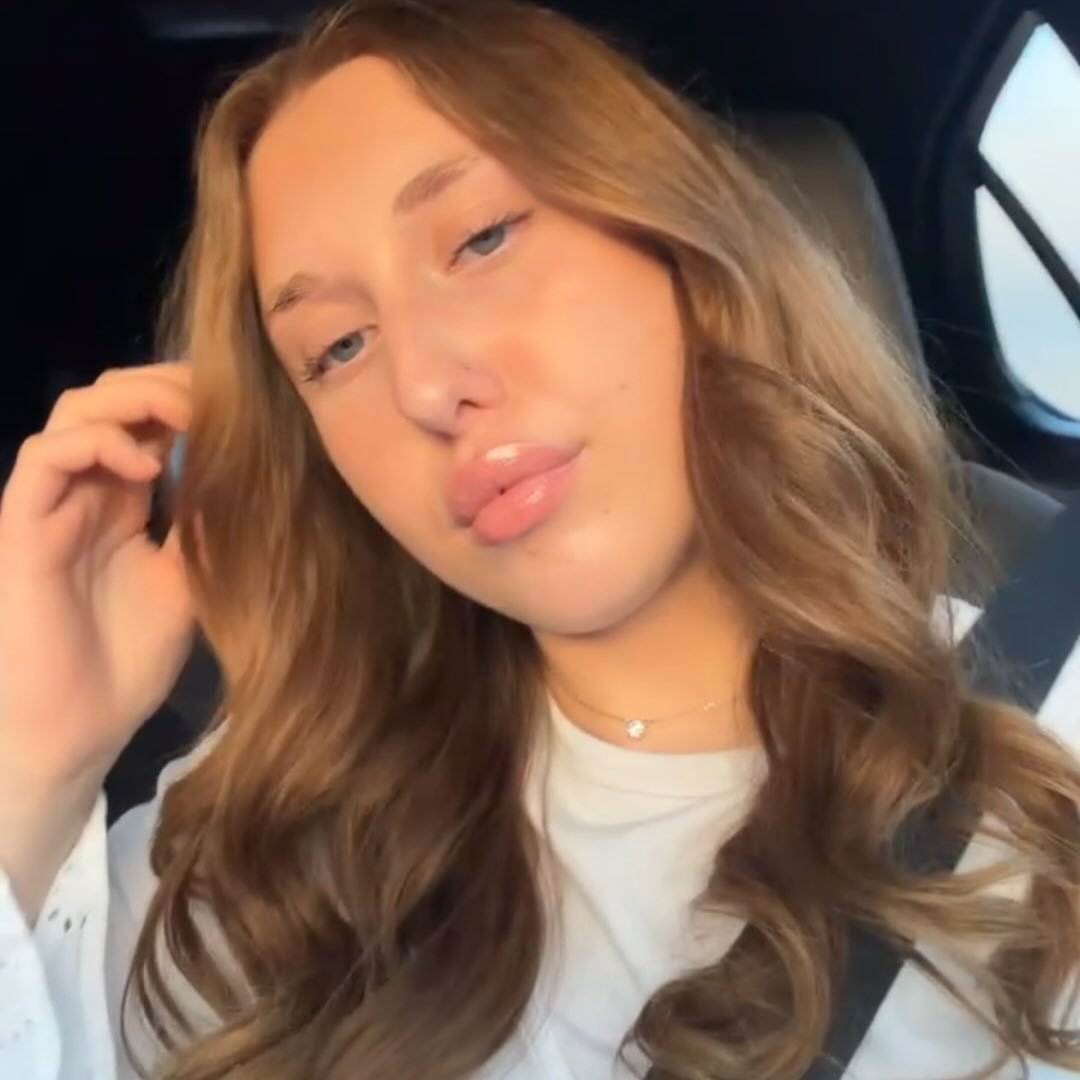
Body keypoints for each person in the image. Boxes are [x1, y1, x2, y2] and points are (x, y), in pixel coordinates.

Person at [1, 1, 1078, 1077]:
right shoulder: (276, 837)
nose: (424, 386)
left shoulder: (1044, 749)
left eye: (483, 239)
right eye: (336, 347)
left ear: (676, 235)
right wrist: (37, 763)